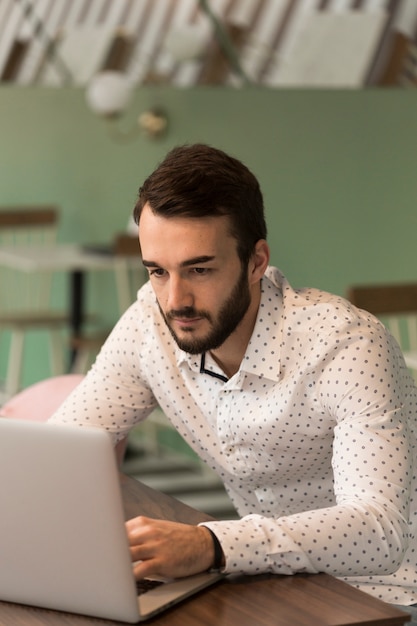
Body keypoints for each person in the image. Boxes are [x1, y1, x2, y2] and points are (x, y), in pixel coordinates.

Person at [49, 143, 417, 617]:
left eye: (199, 269)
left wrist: (210, 545)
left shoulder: (348, 346)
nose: (175, 299)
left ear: (256, 261)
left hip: (392, 593)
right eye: (158, 271)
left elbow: (379, 531)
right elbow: (60, 450)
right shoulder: (149, 323)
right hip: (272, 583)